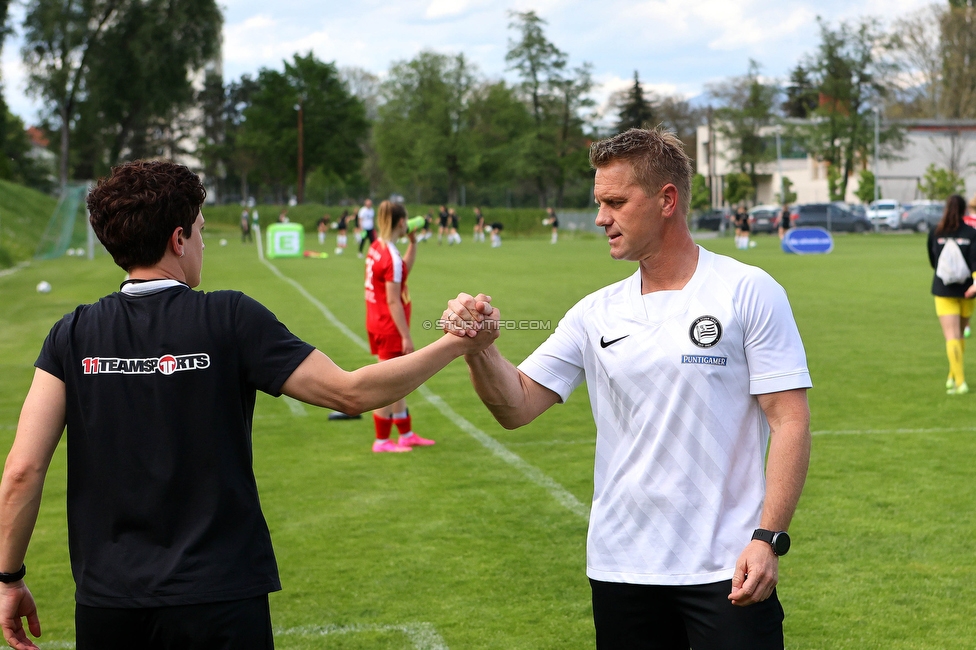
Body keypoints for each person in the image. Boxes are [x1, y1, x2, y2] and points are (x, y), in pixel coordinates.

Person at [0, 160, 495, 650]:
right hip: (221, 598)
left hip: (110, 604)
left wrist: (9, 578)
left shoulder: (72, 333)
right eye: (198, 230)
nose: (202, 243)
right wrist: (455, 344)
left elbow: (22, 470)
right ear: (177, 240)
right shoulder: (230, 316)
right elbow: (351, 393)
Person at [445, 128, 812, 649]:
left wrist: (767, 537)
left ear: (666, 200)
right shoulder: (596, 311)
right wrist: (481, 349)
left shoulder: (747, 291)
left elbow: (789, 419)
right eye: (599, 202)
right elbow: (517, 405)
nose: (600, 218)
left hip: (728, 567)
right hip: (622, 567)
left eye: (615, 202)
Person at [364, 201, 436, 452]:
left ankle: (405, 434)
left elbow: (401, 272)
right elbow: (394, 299)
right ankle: (382, 440)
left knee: (396, 382)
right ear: (403, 223)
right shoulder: (391, 257)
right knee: (389, 384)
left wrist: (413, 243)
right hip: (389, 326)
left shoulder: (377, 247)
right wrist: (406, 336)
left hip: (376, 320)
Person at [927, 194, 976, 395]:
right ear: (965, 210)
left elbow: (933, 261)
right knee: (960, 335)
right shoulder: (971, 233)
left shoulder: (935, 232)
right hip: (967, 291)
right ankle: (953, 375)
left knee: (951, 337)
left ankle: (959, 381)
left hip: (943, 290)